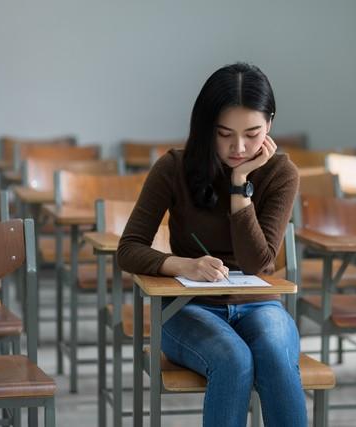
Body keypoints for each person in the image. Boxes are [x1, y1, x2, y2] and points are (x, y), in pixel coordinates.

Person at [117, 62, 306, 427]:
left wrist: (240, 186)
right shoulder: (173, 167)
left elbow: (257, 264)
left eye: (252, 133)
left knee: (275, 356)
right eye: (224, 134)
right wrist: (183, 265)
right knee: (233, 359)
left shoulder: (281, 173)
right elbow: (130, 247)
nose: (239, 147)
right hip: (186, 309)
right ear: (206, 127)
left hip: (258, 306)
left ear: (270, 123)